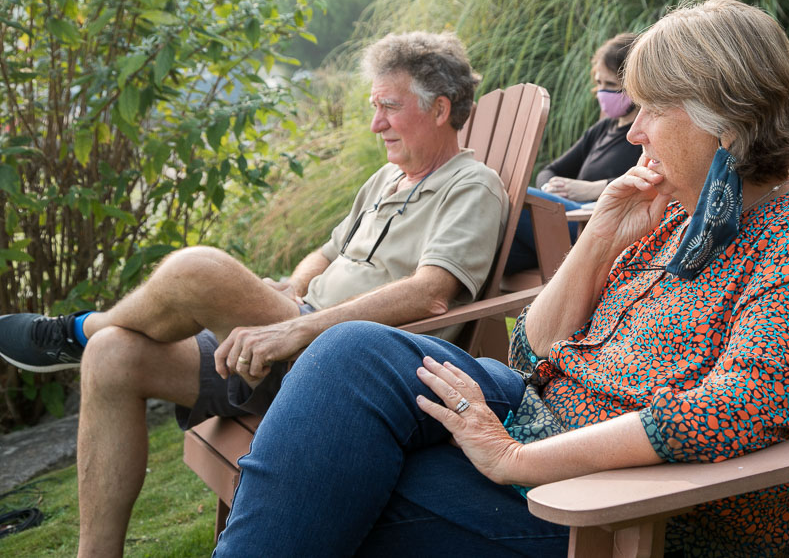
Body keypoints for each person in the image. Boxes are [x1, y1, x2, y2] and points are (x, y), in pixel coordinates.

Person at [213, 0, 789, 557]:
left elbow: (727, 413)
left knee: (344, 481)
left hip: (634, 512)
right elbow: (534, 351)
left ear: (721, 116)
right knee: (352, 349)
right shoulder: (682, 217)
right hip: (543, 426)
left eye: (651, 109)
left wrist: (514, 460)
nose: (632, 129)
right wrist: (600, 240)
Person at [0, 31, 510, 557]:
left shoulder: (470, 186)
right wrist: (293, 286)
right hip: (291, 337)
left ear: (440, 108)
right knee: (113, 358)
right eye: (373, 106)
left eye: (389, 107)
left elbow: (431, 295)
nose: (375, 122)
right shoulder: (387, 179)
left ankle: (74, 331)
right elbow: (326, 253)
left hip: (352, 368)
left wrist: (297, 326)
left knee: (199, 268)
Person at [504, 33, 642, 274]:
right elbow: (549, 170)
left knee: (516, 196)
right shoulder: (601, 130)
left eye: (610, 86)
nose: (601, 93)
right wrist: (553, 187)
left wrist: (593, 189)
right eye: (599, 84)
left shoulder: (641, 134)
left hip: (592, 226)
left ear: (634, 84)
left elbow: (649, 180)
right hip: (564, 223)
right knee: (496, 252)